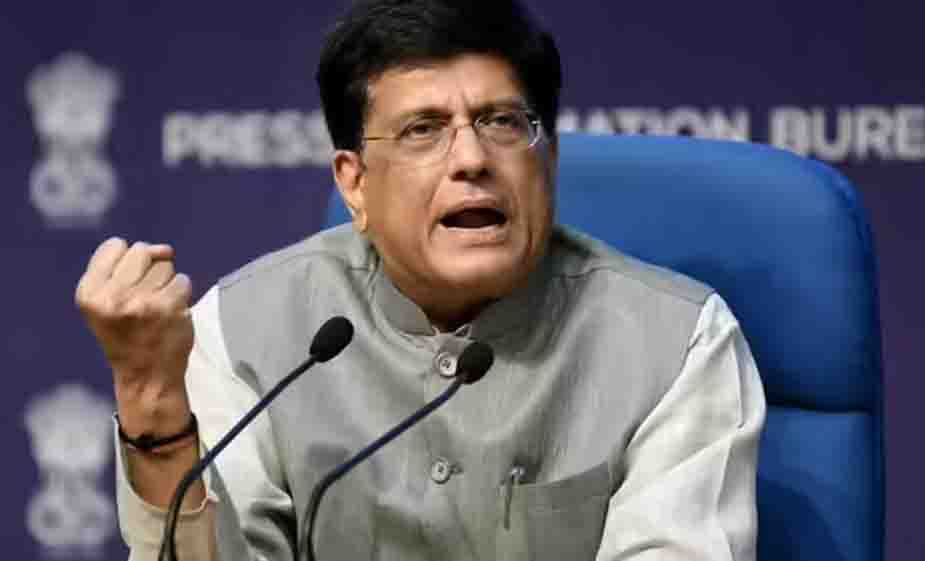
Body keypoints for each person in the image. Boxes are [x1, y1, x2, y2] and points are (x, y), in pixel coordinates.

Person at [75, 0, 766, 559]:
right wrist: (150, 400)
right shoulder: (243, 333)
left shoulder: (678, 344)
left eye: (502, 122)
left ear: (548, 159)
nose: (471, 158)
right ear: (355, 184)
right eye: (422, 130)